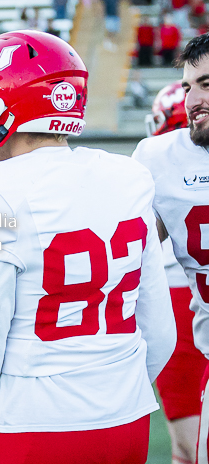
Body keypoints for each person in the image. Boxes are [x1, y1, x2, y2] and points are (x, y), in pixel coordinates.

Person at [0, 30, 175, 464]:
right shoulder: (128, 176)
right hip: (126, 421)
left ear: (3, 100)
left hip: (36, 425)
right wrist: (115, 388)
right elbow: (160, 329)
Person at [132, 32, 209, 464]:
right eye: (188, 87)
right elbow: (127, 255)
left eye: (208, 85)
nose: (193, 99)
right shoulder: (161, 158)